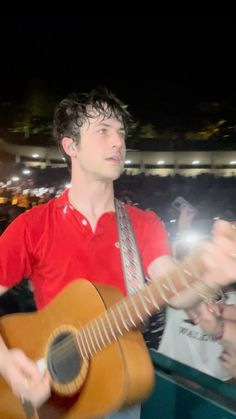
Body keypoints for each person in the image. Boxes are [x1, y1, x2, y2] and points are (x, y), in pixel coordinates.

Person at [0, 88, 236, 418]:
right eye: (103, 131)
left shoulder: (143, 224)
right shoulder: (31, 226)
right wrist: (8, 364)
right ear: (71, 146)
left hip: (118, 391)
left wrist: (206, 275)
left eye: (121, 133)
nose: (118, 143)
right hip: (46, 393)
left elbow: (172, 285)